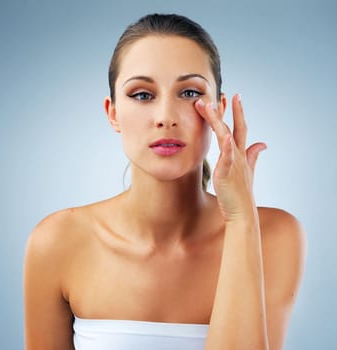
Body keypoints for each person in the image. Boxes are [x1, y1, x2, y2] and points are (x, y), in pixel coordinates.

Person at [23, 13, 307, 350]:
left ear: (218, 108)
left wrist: (241, 218)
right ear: (112, 113)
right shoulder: (57, 241)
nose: (165, 118)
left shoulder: (273, 235)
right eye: (142, 95)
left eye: (189, 92)